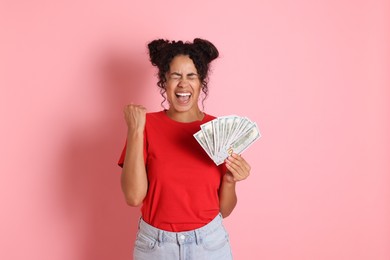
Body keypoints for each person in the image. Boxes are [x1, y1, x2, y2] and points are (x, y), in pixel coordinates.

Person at [118, 38, 251, 260]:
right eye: (175, 76)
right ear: (164, 82)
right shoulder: (144, 125)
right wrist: (135, 131)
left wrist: (230, 180)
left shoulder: (219, 130)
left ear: (201, 83)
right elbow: (133, 197)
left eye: (191, 76)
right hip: (156, 247)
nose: (183, 84)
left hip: (210, 245)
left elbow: (224, 210)